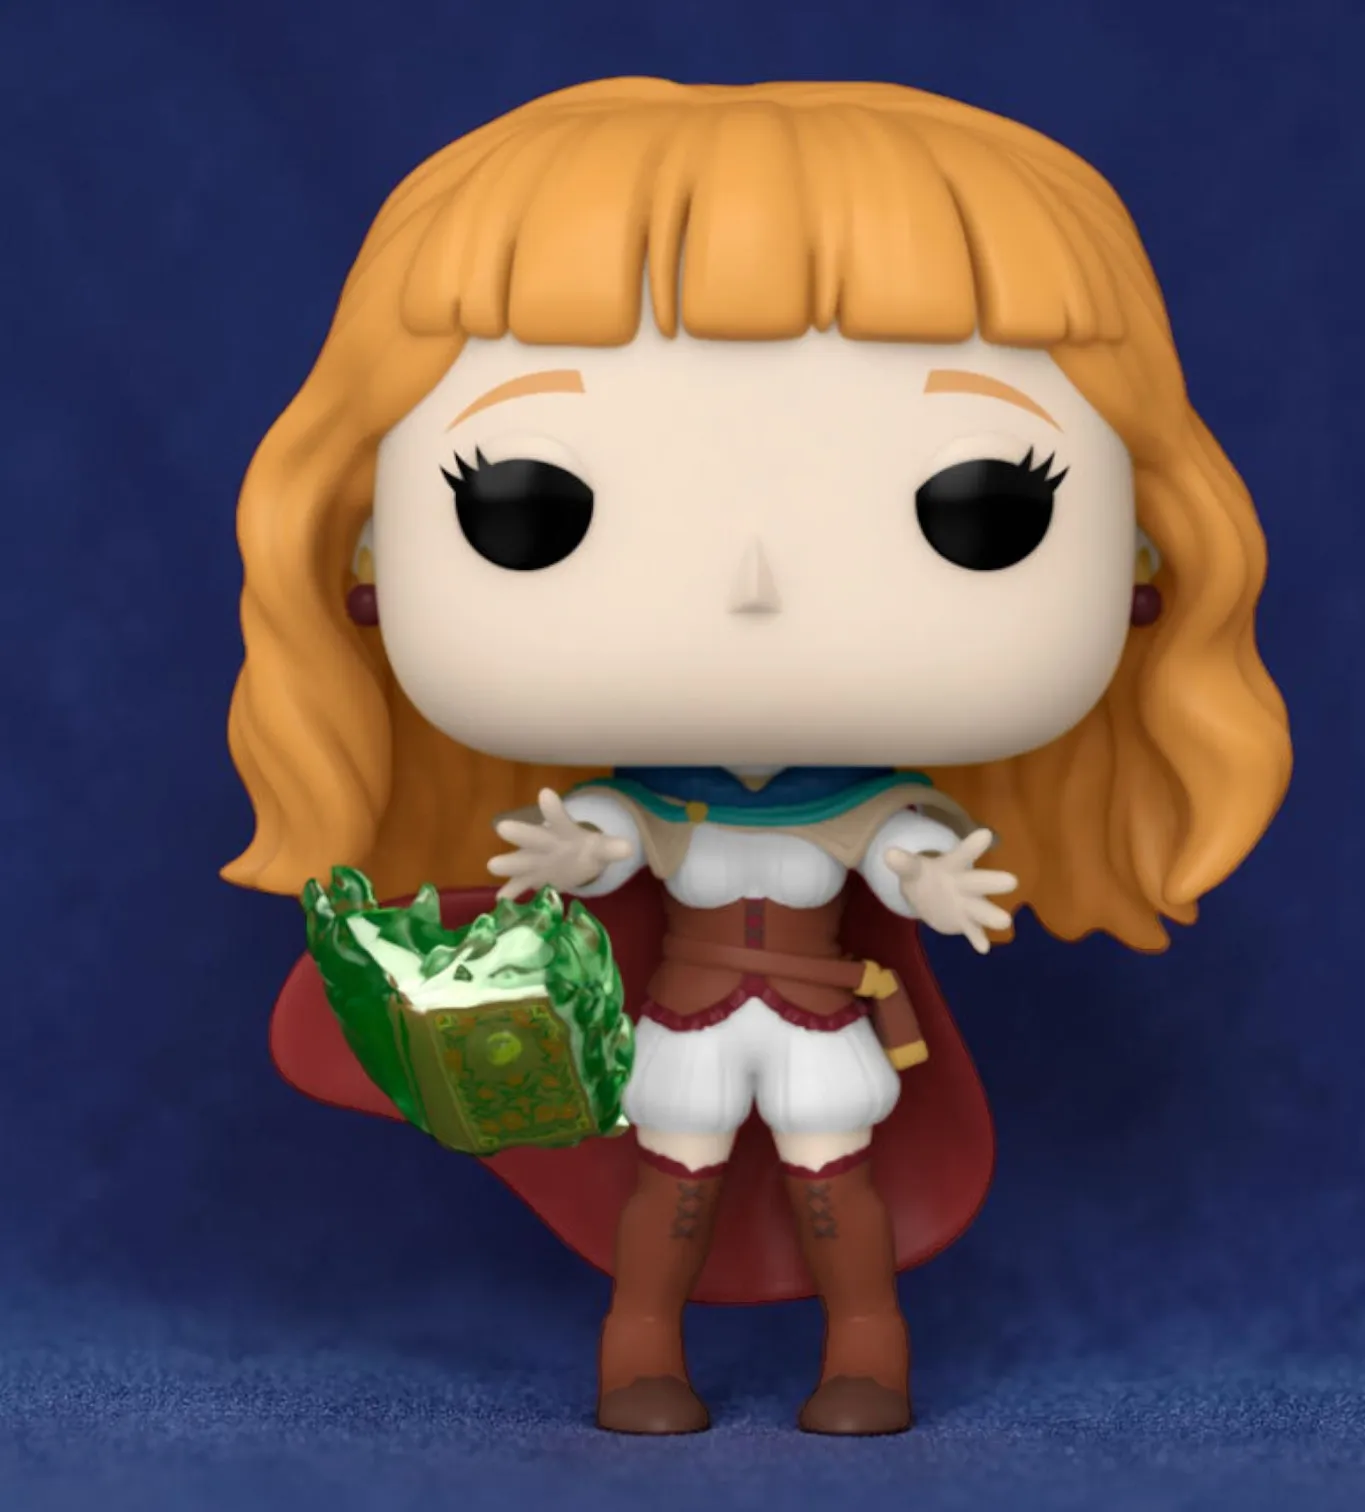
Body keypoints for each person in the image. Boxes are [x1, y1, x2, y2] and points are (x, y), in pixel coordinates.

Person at [224, 77, 1292, 1437]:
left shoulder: (868, 805)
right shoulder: (658, 804)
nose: (754, 586)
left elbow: (896, 850)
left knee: (831, 1180)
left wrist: (936, 881)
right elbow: (619, 841)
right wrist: (572, 851)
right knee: (672, 1186)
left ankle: (865, 1355)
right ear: (364, 548)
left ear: (1145, 554)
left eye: (979, 508)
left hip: (815, 1022)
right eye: (527, 506)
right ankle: (640, 1355)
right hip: (685, 1025)